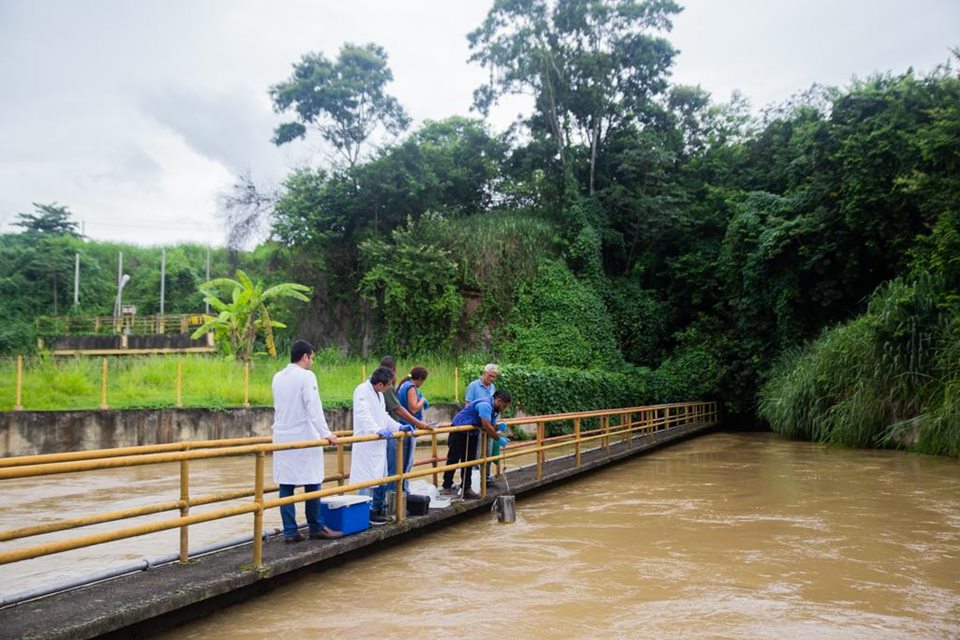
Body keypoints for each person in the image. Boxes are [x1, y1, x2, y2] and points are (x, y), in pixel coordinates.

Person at [271, 339, 343, 543]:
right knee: (312, 480)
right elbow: (313, 408)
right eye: (312, 357)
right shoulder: (307, 376)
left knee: (286, 484)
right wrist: (326, 433)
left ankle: (290, 531)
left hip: (282, 437)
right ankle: (316, 526)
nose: (312, 361)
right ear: (305, 356)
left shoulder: (278, 377)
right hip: (304, 436)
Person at [349, 366, 413, 524]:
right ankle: (363, 515)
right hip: (366, 442)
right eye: (389, 384)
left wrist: (398, 427)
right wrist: (376, 429)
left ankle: (374, 511)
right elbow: (363, 414)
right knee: (366, 481)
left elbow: (383, 416)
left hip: (377, 444)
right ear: (379, 384)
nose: (391, 387)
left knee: (377, 479)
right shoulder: (361, 391)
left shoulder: (379, 395)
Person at [441, 390, 512, 499]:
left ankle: (466, 488)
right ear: (499, 401)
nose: (504, 409)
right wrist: (498, 439)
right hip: (459, 430)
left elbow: (490, 425)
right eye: (504, 406)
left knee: (470, 460)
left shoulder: (494, 409)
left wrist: (497, 426)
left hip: (472, 432)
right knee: (453, 458)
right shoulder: (485, 405)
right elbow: (486, 426)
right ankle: (446, 486)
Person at [379, 357, 433, 493]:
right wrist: (423, 402)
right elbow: (411, 408)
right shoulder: (407, 387)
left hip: (394, 428)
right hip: (402, 431)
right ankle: (399, 497)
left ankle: (393, 498)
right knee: (402, 467)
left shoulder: (402, 385)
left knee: (392, 468)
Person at [464, 363, 500, 480]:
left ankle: (486, 477)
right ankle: (475, 478)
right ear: (484, 374)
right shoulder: (473, 386)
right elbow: (468, 405)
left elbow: (494, 406)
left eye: (494, 377)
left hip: (489, 424)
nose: (492, 379)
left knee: (488, 452)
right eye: (490, 376)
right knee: (477, 453)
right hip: (478, 425)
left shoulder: (493, 388)